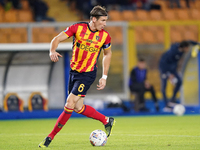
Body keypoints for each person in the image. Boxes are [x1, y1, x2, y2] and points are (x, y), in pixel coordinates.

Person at [38, 6, 114, 148]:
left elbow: (107, 54)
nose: (105, 24)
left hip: (88, 74)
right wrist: (52, 50)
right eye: (103, 20)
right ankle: (106, 120)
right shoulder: (77, 28)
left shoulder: (105, 36)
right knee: (78, 107)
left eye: (105, 21)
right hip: (74, 73)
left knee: (69, 103)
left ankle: (50, 137)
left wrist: (104, 76)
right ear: (93, 19)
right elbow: (57, 38)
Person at [159, 41, 198, 111]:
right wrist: (169, 74)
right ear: (184, 47)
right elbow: (164, 62)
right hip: (164, 68)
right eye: (187, 48)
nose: (188, 50)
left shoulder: (180, 48)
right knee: (164, 86)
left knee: (179, 81)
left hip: (172, 69)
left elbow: (188, 41)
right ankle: (166, 105)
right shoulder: (173, 52)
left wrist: (197, 44)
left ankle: (172, 100)